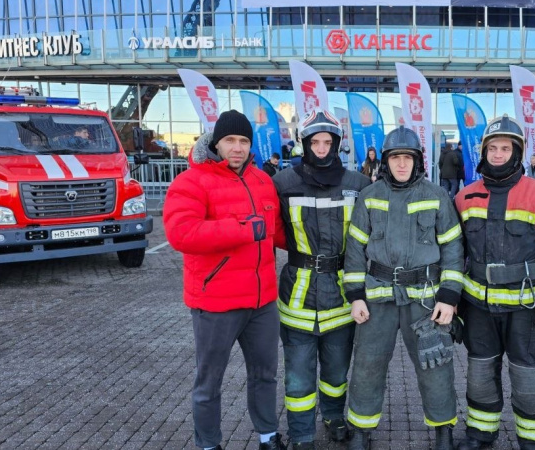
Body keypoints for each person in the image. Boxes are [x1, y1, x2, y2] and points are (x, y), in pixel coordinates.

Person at [163, 110, 287, 450]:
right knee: (209, 381)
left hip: (262, 302)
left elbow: (277, 232)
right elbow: (181, 233)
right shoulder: (191, 181)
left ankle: (267, 436)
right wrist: (242, 229)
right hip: (216, 303)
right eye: (230, 140)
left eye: (244, 141)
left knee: (265, 375)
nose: (237, 148)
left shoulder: (262, 180)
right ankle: (209, 444)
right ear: (215, 142)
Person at [454, 115, 535, 450]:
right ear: (484, 151)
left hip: (527, 308)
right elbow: (454, 254)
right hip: (477, 307)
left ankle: (533, 441)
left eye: (505, 147)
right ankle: (480, 433)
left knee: (525, 375)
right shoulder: (464, 197)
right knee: (479, 375)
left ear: (517, 151)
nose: (497, 153)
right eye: (492, 147)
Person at [343, 126, 465, 450]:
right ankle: (360, 430)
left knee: (436, 366)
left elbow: (453, 249)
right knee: (367, 364)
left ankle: (443, 431)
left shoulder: (436, 196)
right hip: (377, 298)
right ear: (385, 161)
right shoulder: (369, 197)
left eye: (407, 158)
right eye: (395, 157)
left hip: (426, 301)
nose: (401, 164)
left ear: (417, 161)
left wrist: (450, 297)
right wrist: (355, 297)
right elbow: (355, 250)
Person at [272, 110, 371, 450]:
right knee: (298, 377)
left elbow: (369, 238)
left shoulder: (358, 184)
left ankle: (333, 417)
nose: (321, 148)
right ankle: (301, 435)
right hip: (297, 295)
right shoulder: (283, 183)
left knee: (336, 372)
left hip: (342, 295)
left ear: (338, 145)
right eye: (315, 142)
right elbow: (273, 232)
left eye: (328, 142)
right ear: (304, 144)